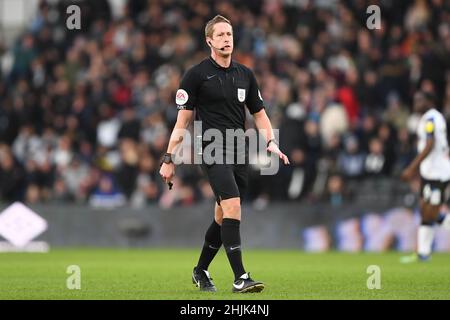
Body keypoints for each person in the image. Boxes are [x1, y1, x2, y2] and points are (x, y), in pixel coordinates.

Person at [159, 15, 289, 293]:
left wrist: (271, 142)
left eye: (229, 34)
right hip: (212, 148)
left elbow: (260, 114)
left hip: (239, 150)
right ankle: (241, 277)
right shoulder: (195, 75)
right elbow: (182, 122)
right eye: (220, 35)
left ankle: (200, 270)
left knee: (222, 216)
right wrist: (169, 159)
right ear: (209, 41)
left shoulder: (246, 75)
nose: (226, 39)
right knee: (233, 207)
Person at [400, 91, 450, 263]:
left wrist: (411, 168)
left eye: (419, 100)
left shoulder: (430, 119)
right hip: (429, 173)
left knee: (431, 211)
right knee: (424, 211)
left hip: (438, 174)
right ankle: (423, 253)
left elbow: (430, 145)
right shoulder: (431, 118)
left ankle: (423, 252)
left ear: (429, 101)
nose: (416, 103)